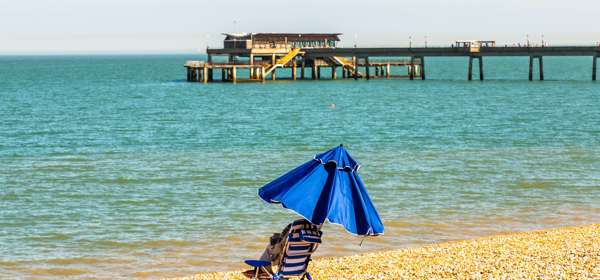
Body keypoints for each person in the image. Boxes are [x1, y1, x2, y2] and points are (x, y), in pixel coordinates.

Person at [243, 219, 311, 278]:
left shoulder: (292, 229)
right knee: (277, 246)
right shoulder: (311, 233)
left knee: (271, 247)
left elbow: (277, 249)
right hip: (299, 266)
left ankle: (263, 269)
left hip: (286, 263)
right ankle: (263, 269)